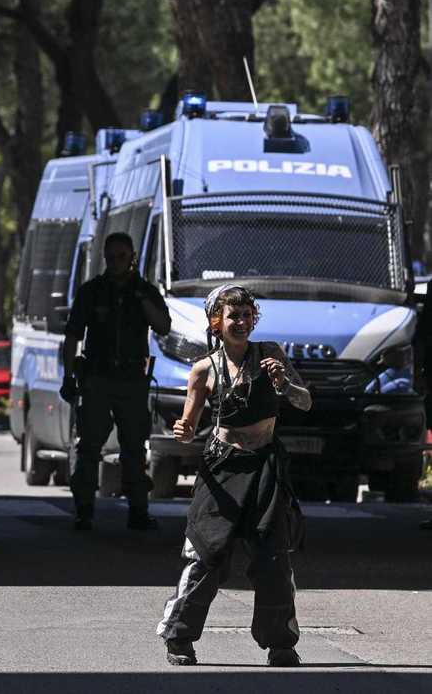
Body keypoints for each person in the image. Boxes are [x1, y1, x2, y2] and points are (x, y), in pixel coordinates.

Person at [156, 285, 311, 668]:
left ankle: (280, 644)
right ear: (216, 323)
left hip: (265, 468)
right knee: (206, 554)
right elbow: (190, 424)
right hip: (222, 469)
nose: (240, 323)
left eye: (246, 316)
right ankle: (179, 638)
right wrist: (184, 431)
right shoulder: (203, 370)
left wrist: (284, 384)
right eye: (232, 317)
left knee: (273, 556)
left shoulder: (271, 355)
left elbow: (305, 401)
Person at [60, 232, 171, 530]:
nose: (116, 262)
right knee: (89, 447)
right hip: (97, 378)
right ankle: (83, 510)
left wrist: (142, 297)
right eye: (111, 257)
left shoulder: (144, 291)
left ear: (132, 257)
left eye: (122, 257)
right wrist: (68, 375)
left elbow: (162, 326)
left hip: (132, 381)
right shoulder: (92, 291)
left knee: (134, 448)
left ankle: (138, 511)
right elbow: (72, 336)